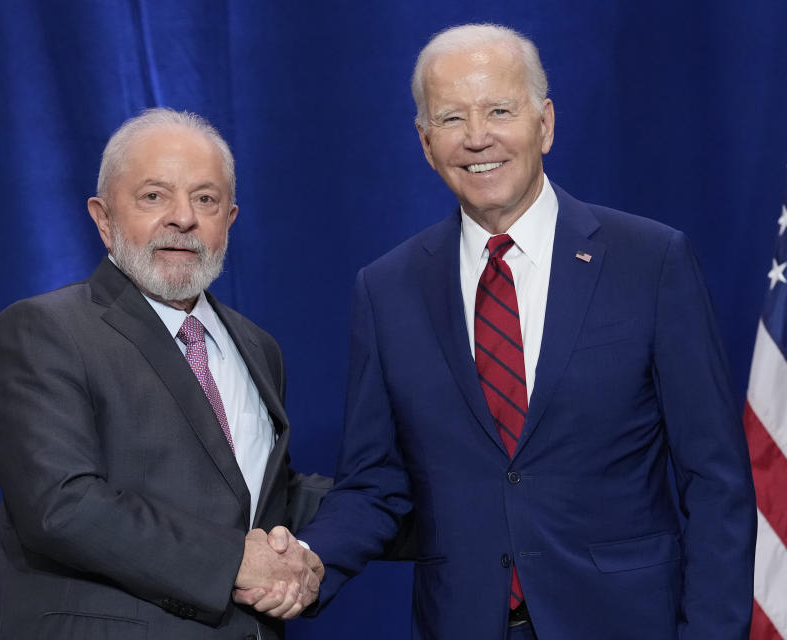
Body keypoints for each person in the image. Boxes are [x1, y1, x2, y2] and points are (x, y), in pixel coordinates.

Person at [284, 23, 757, 639]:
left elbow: (715, 480)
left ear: (545, 123)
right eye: (451, 118)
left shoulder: (651, 261)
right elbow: (374, 482)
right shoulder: (386, 289)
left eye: (499, 110)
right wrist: (307, 562)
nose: (477, 137)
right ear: (426, 144)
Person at [0, 107, 326, 639]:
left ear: (229, 220)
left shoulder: (258, 347)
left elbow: (262, 495)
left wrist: (412, 509)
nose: (183, 218)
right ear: (103, 217)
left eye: (205, 199)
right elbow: (62, 506)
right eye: (154, 196)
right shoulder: (44, 331)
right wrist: (235, 561)